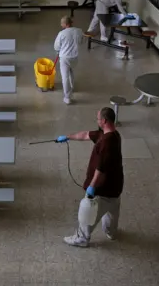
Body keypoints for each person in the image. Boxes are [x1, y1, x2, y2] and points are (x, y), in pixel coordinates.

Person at [56, 106, 124, 247]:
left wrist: (92, 186)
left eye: (98, 119)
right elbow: (86, 135)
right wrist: (67, 137)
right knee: (112, 210)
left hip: (103, 187)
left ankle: (82, 238)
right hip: (116, 186)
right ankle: (111, 232)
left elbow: (101, 169)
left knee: (88, 210)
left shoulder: (107, 142)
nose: (97, 121)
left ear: (104, 121)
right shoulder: (112, 134)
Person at [53, 16, 84, 105]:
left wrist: (59, 50)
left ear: (65, 24)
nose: (61, 25)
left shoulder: (62, 33)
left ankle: (67, 97)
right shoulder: (79, 31)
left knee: (65, 77)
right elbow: (81, 41)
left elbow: (56, 46)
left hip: (64, 58)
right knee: (71, 72)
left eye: (61, 23)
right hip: (75, 57)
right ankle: (72, 86)